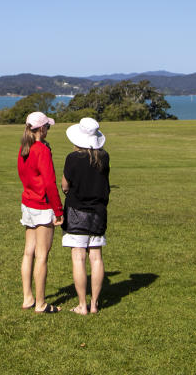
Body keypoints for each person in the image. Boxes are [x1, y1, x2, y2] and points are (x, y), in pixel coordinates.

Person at [61, 117, 110, 315]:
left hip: (76, 211)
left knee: (79, 257)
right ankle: (95, 304)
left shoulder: (72, 158)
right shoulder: (104, 157)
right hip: (98, 211)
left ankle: (82, 304)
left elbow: (65, 184)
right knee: (96, 257)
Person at [17, 111, 63, 313]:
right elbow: (50, 183)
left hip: (27, 203)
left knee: (29, 252)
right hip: (42, 205)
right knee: (42, 255)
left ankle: (28, 297)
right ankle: (41, 303)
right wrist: (58, 210)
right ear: (42, 128)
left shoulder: (24, 148)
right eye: (48, 127)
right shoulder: (41, 150)